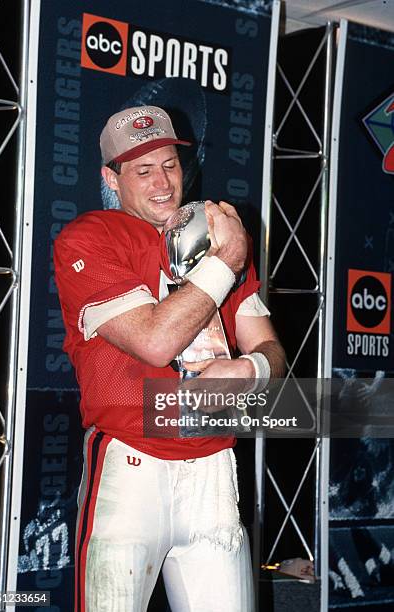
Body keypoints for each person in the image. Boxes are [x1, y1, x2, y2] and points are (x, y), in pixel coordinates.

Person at [54, 105, 285, 612]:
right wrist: (227, 259)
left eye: (170, 165)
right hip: (132, 466)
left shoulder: (209, 232)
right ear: (109, 178)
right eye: (142, 170)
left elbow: (269, 351)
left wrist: (251, 369)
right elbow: (155, 341)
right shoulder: (90, 238)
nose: (162, 182)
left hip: (214, 470)